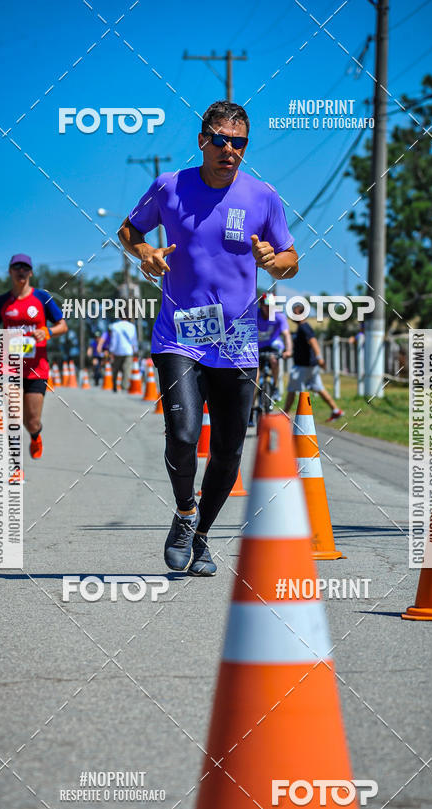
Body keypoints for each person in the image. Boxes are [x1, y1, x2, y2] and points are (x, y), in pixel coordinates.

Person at [118, 99, 298, 575]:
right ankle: (183, 512)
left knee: (228, 450)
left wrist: (272, 261)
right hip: (178, 334)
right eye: (220, 139)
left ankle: (200, 537)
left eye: (239, 142)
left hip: (237, 339)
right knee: (182, 435)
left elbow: (290, 258)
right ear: (202, 141)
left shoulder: (263, 197)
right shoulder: (170, 187)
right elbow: (128, 230)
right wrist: (145, 254)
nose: (229, 150)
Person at [0, 254, 67, 460]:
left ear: (31, 272)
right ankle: (15, 467)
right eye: (17, 267)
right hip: (10, 366)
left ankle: (35, 436)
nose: (21, 271)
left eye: (25, 268)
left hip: (37, 368)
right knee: (13, 417)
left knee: (32, 421)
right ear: (10, 271)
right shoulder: (1, 302)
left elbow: (63, 325)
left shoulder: (42, 298)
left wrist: (48, 332)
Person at [283, 302, 344, 421]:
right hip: (310, 366)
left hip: (303, 366)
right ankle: (336, 410)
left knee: (292, 389)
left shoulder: (304, 328)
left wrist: (320, 358)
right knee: (318, 388)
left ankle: (285, 414)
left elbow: (313, 342)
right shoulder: (303, 328)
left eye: (294, 313)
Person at [255, 291, 292, 403]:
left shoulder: (279, 317)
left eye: (271, 305)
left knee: (274, 360)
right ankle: (252, 408)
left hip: (273, 345)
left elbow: (286, 334)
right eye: (266, 305)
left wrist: (289, 350)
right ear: (261, 305)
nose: (269, 308)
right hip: (257, 346)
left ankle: (275, 387)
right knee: (255, 375)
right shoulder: (255, 315)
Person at [99, 316, 138, 391]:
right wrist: (135, 350)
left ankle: (114, 385)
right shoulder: (132, 326)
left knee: (115, 369)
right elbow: (134, 340)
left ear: (119, 317)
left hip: (117, 351)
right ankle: (124, 386)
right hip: (128, 351)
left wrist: (111, 350)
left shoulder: (115, 326)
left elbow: (114, 340)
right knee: (127, 369)